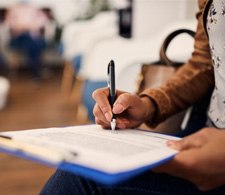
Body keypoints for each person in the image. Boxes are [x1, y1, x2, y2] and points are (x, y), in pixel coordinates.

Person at [40, 0, 225, 194]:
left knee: (81, 180)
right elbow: (204, 64)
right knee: (83, 168)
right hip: (204, 137)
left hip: (213, 157)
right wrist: (148, 104)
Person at [4, 1, 49, 79]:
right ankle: (36, 71)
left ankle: (35, 71)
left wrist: (26, 26)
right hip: (18, 38)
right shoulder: (13, 9)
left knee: (32, 42)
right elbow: (10, 24)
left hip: (32, 38)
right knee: (32, 41)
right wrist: (27, 27)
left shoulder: (33, 9)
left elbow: (42, 21)